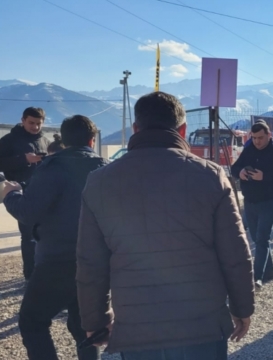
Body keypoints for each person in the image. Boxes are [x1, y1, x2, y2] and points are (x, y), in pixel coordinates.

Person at [76, 92, 255, 358]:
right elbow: (235, 253)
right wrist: (242, 308)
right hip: (202, 326)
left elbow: (90, 263)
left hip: (137, 328)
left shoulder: (99, 181)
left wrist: (95, 322)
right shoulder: (210, 175)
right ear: (183, 129)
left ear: (135, 128)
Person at [3, 115, 107, 360]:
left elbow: (28, 212)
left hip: (58, 261)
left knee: (32, 321)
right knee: (84, 325)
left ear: (63, 138)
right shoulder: (106, 168)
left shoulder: (52, 167)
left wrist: (9, 194)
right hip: (97, 263)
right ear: (92, 141)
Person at [232, 122, 273, 289]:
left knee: (262, 238)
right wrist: (241, 172)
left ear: (269, 135)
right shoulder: (248, 150)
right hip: (250, 202)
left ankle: (257, 277)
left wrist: (265, 176)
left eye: (260, 138)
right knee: (258, 240)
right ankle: (269, 271)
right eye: (254, 138)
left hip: (269, 201)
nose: (257, 141)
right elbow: (234, 168)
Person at [0, 107, 50, 280]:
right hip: (22, 194)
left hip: (45, 193)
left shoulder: (45, 140)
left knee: (46, 234)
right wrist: (23, 160)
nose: (35, 127)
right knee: (28, 236)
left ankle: (44, 272)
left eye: (38, 123)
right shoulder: (9, 140)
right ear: (22, 120)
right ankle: (31, 276)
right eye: (31, 123)